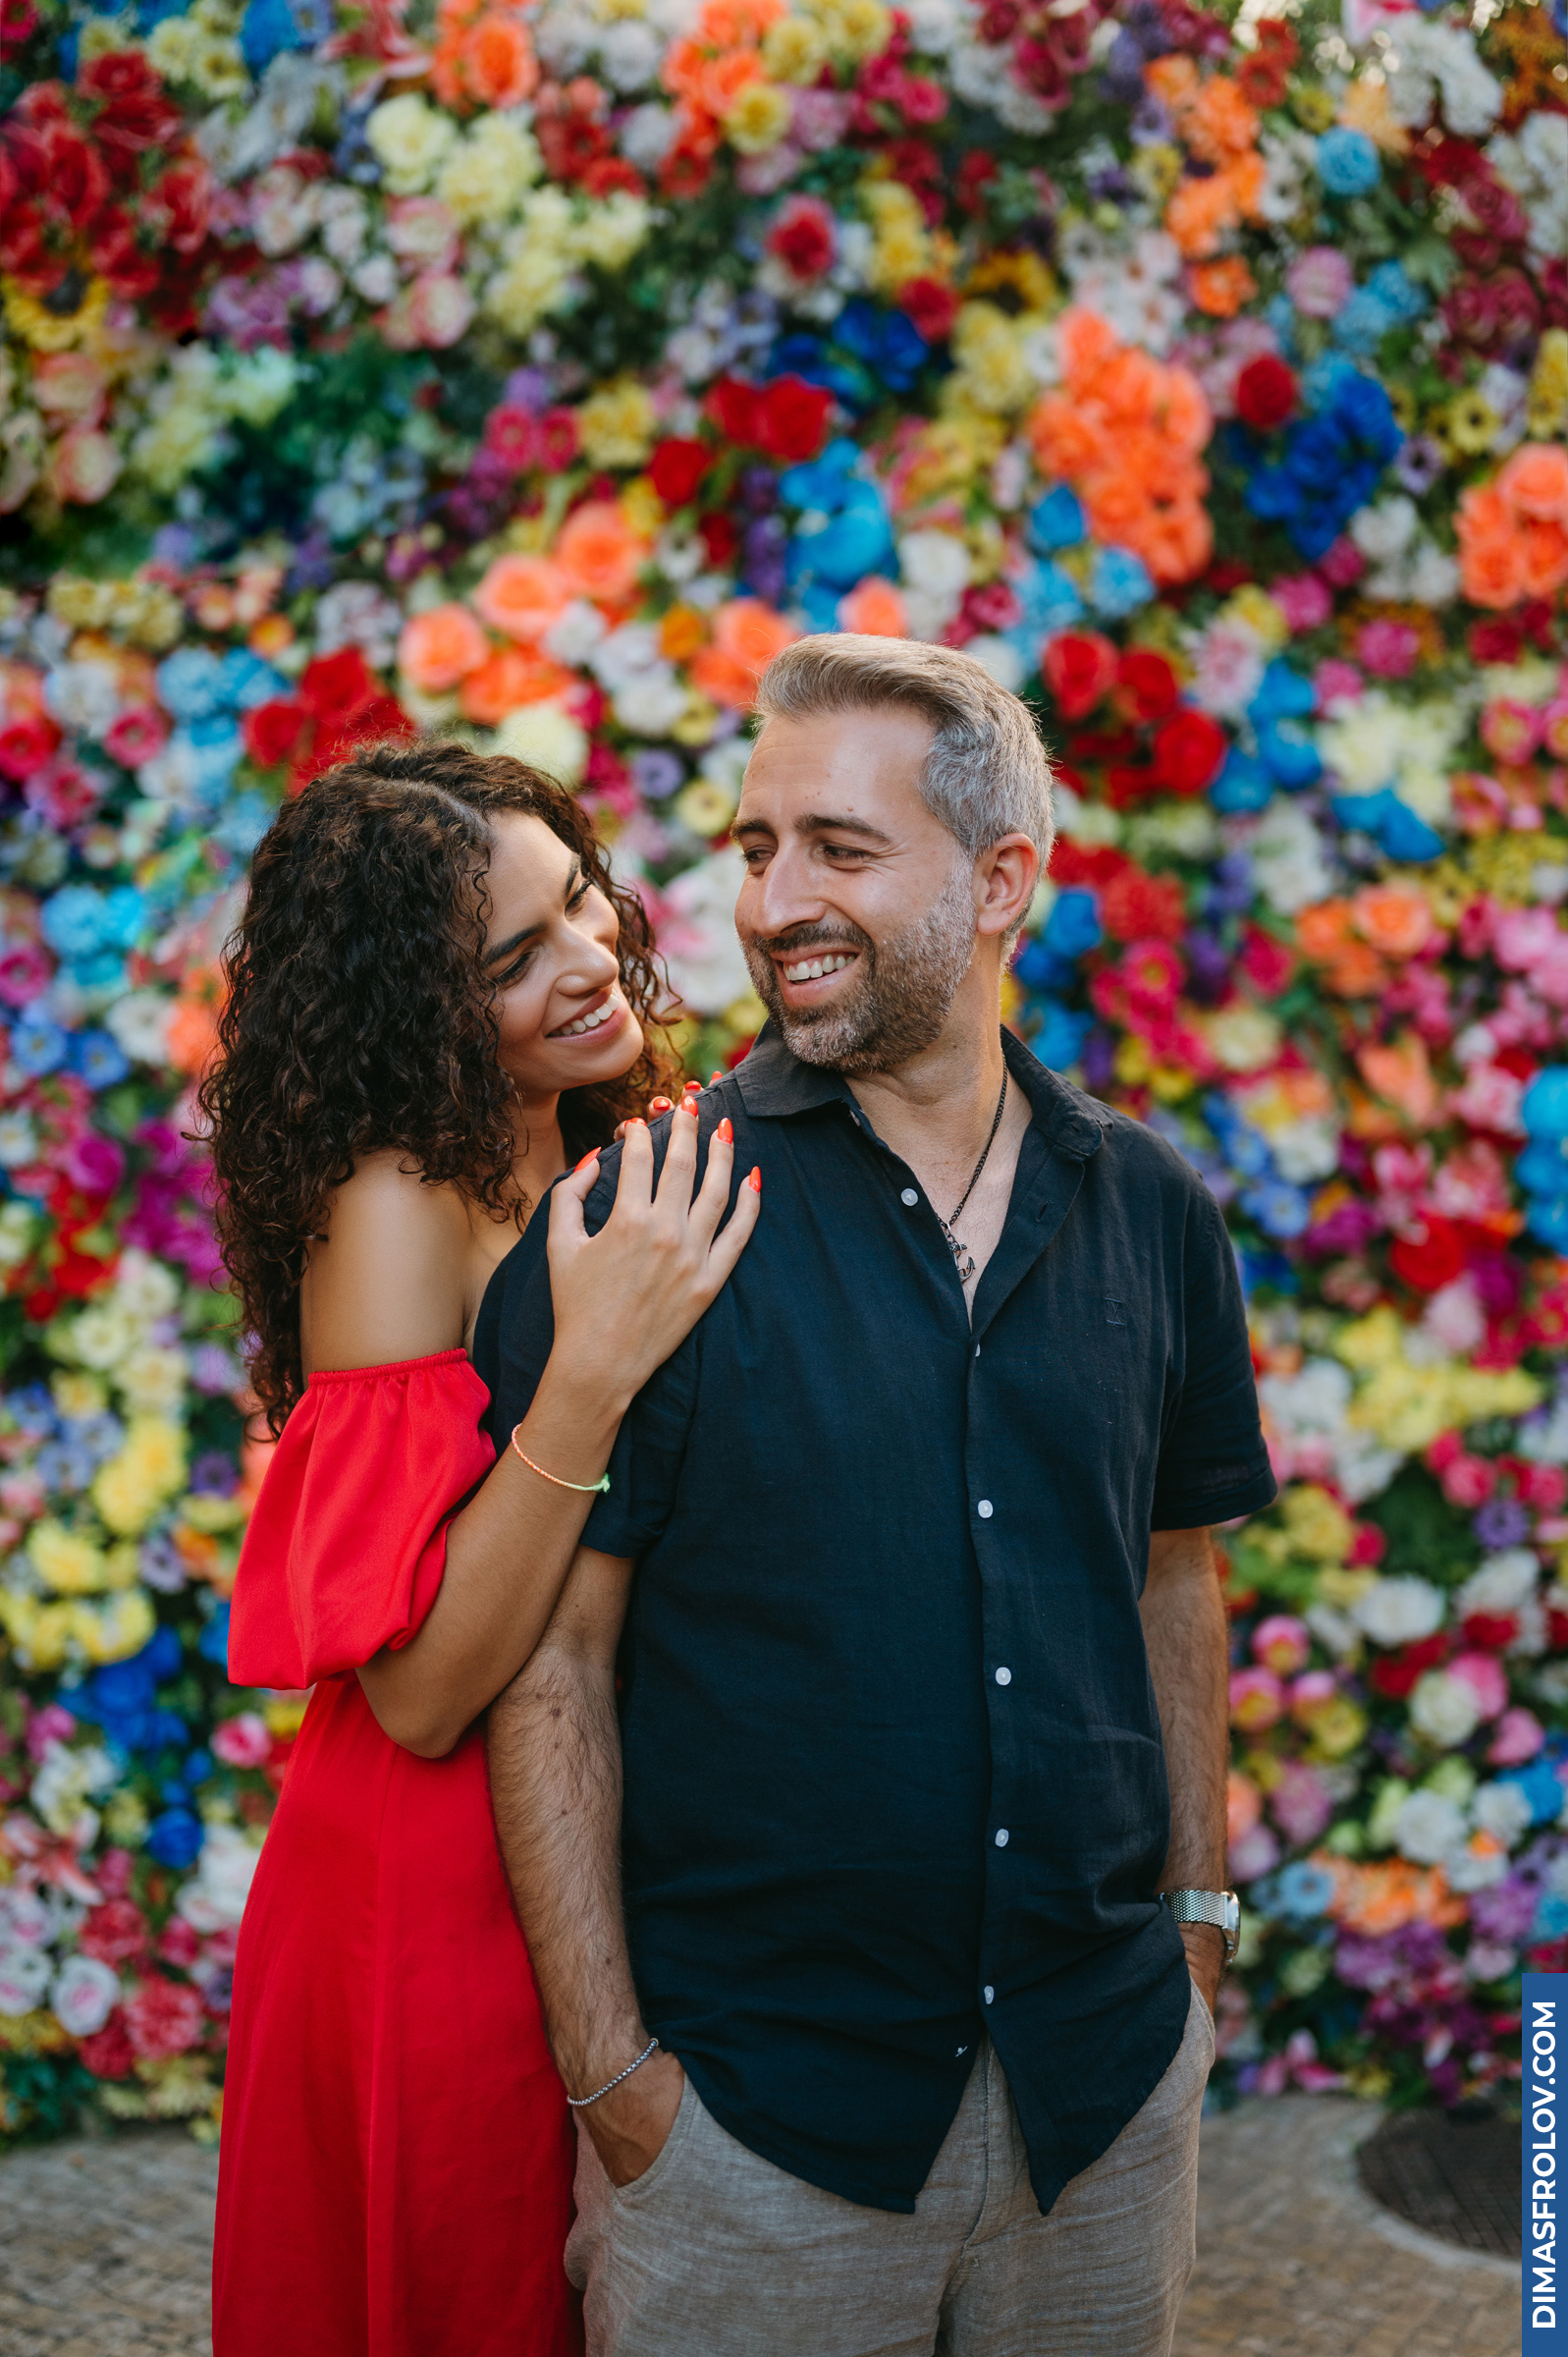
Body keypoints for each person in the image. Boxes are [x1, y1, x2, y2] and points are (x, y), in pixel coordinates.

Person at [477, 636, 1275, 2357]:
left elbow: (1170, 1579)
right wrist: (617, 2083)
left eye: (839, 850)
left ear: (999, 882)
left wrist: (1195, 1949)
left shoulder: (1149, 1208)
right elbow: (552, 1666)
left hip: (1099, 2103)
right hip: (753, 2137)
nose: (774, 905)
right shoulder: (644, 1218)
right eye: (757, 849)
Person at [202, 742, 759, 2357]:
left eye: (580, 902)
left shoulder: (619, 1139)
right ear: (417, 1015)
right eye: (513, 958)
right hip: (432, 1895)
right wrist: (590, 1369)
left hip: (616, 1837)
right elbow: (423, 1695)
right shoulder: (397, 1202)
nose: (587, 960)